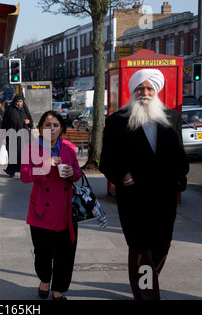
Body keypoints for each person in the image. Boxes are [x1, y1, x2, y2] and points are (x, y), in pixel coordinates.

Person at [99, 69, 189, 300]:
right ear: (133, 91)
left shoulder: (173, 118)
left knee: (161, 246)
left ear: (156, 91)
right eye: (140, 88)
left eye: (149, 88)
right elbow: (106, 161)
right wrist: (123, 177)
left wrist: (179, 179)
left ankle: (147, 286)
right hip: (134, 199)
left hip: (164, 197)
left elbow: (180, 156)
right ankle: (147, 295)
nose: (145, 92)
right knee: (141, 251)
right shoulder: (116, 122)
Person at [20, 110, 82, 300]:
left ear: (61, 128)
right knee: (43, 253)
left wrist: (72, 171)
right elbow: (24, 176)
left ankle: (58, 290)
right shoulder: (30, 149)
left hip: (65, 211)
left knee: (65, 254)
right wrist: (46, 164)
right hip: (41, 211)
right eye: (47, 125)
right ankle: (45, 279)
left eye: (55, 125)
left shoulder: (69, 148)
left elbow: (78, 174)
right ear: (40, 128)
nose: (52, 129)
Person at [1, 95, 33, 177]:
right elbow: (4, 124)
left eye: (21, 101)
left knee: (24, 154)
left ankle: (24, 170)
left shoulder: (24, 110)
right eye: (18, 102)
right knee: (13, 154)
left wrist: (28, 122)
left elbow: (30, 120)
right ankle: (12, 170)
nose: (20, 103)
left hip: (24, 136)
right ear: (15, 102)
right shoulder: (10, 111)